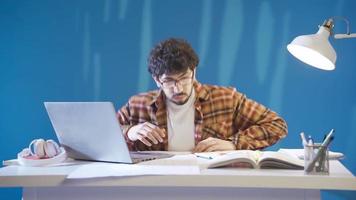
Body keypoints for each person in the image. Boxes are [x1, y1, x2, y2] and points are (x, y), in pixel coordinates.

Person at [117, 38, 287, 152]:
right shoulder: (137, 104)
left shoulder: (226, 98)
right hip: (154, 185)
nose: (178, 88)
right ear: (156, 80)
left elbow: (276, 125)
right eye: (168, 81)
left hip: (213, 184)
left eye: (184, 78)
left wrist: (233, 144)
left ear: (194, 72)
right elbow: (99, 137)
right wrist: (129, 131)